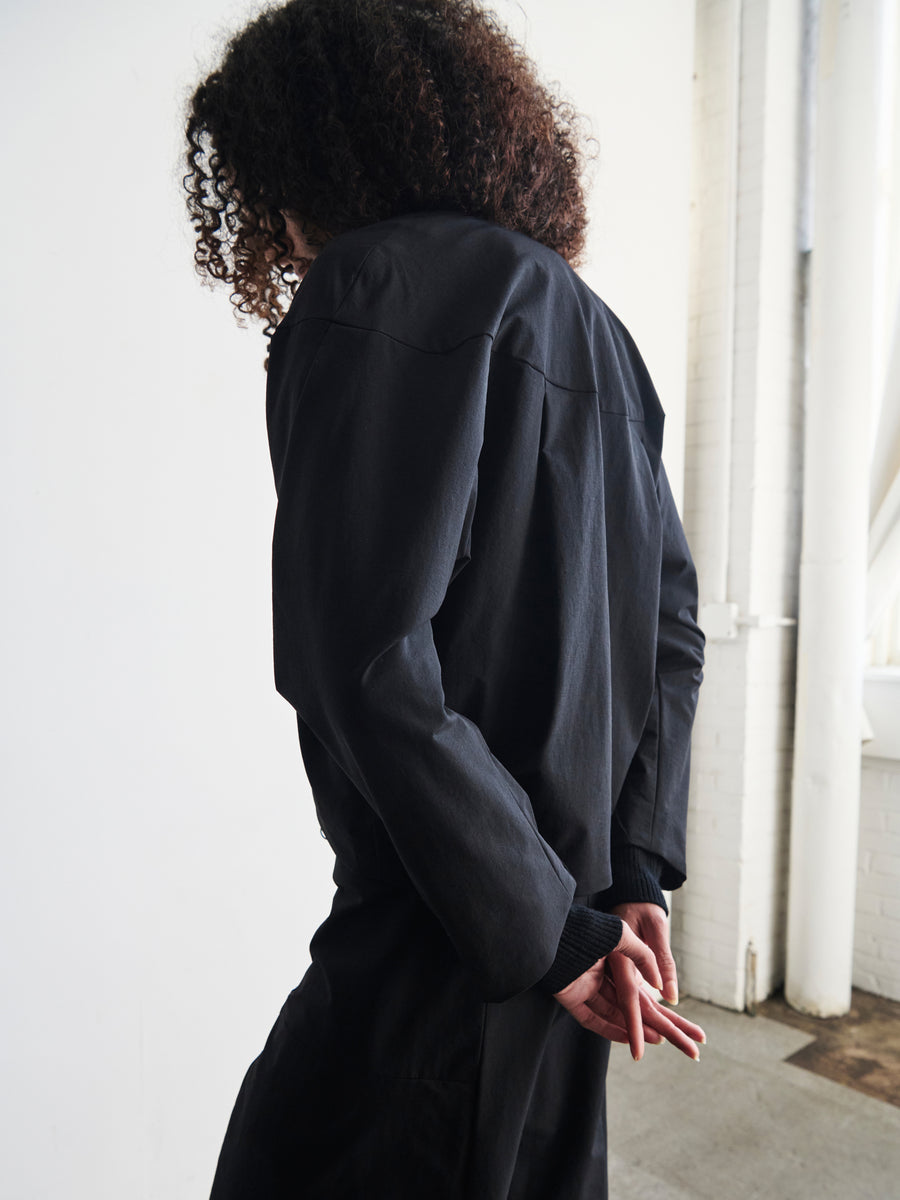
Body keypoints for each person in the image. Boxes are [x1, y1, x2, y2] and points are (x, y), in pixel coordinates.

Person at [184, 1, 707, 1196]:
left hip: (443, 947)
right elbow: (672, 631)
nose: (275, 230)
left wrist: (550, 930)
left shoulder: (371, 287)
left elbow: (364, 658)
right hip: (566, 952)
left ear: (313, 147)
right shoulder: (602, 333)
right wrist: (632, 878)